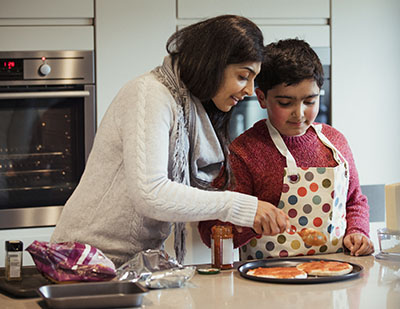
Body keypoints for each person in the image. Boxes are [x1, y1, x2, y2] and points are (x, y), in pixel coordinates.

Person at [50, 15, 291, 267]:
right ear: (213, 64)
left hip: (133, 262)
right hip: (84, 258)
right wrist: (242, 206)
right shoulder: (150, 94)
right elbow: (151, 193)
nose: (250, 90)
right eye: (243, 76)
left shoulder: (191, 107)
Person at [198, 39, 374, 260]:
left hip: (335, 275)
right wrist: (252, 219)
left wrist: (358, 232)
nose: (299, 114)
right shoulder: (244, 153)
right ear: (262, 98)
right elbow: (210, 232)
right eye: (285, 103)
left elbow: (355, 200)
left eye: (310, 101)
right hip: (266, 282)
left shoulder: (335, 141)